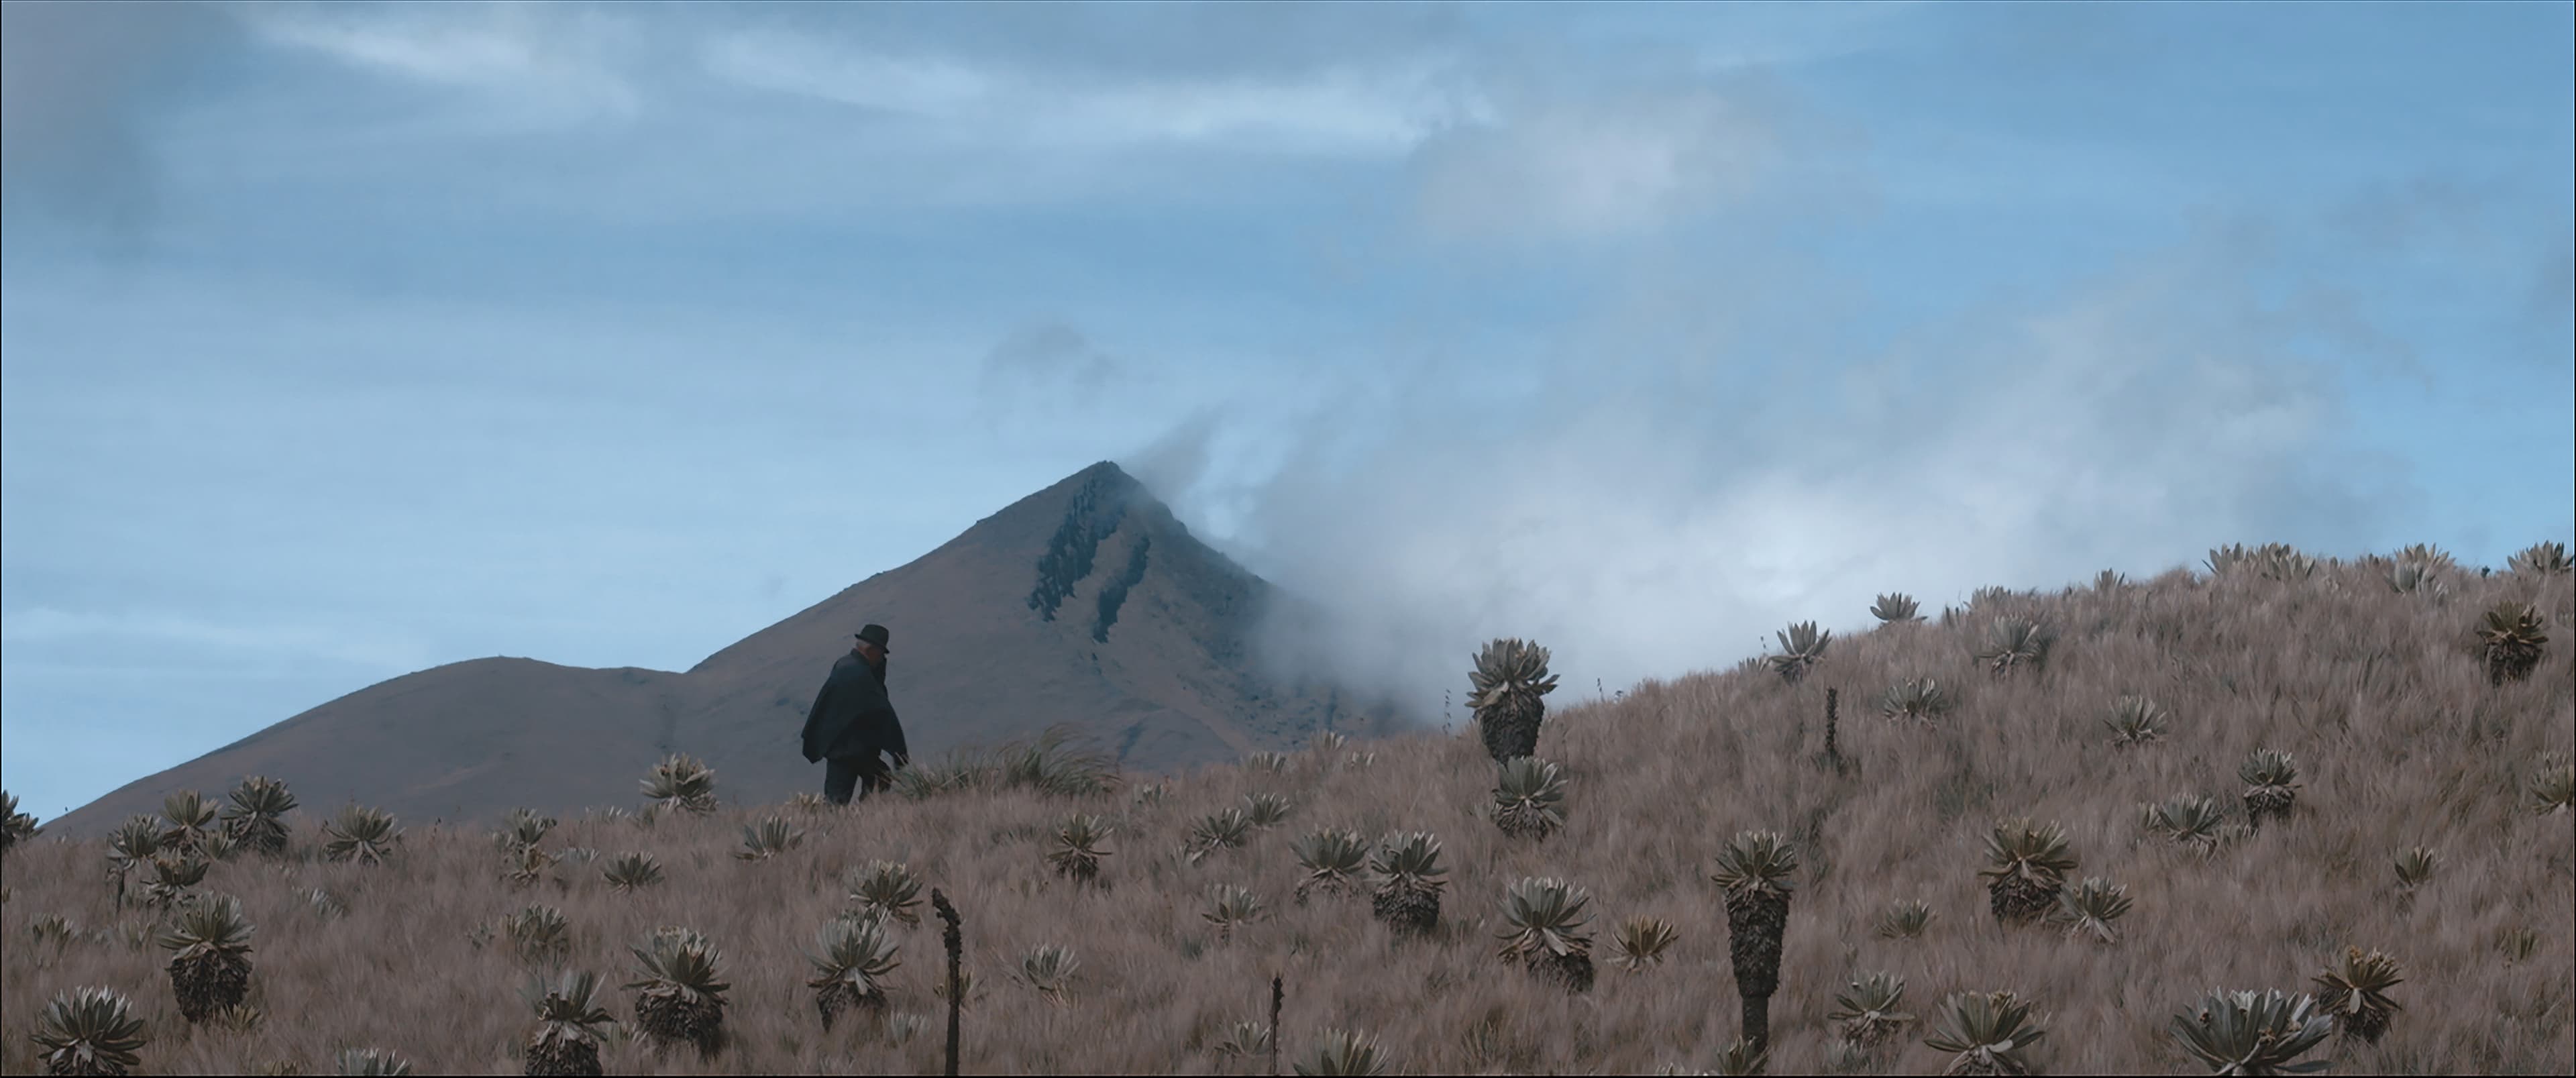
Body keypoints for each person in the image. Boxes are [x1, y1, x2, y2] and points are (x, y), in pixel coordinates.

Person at [800, 623, 911, 804]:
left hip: (843, 748)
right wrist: (900, 754)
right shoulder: (858, 674)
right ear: (871, 650)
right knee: (854, 791)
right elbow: (883, 713)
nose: (881, 659)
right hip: (851, 750)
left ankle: (860, 816)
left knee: (861, 787)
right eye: (880, 654)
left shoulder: (845, 665)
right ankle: (863, 815)